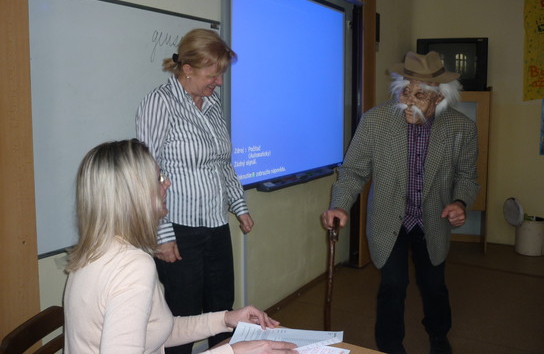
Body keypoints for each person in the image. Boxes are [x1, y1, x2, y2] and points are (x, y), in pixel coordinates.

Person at [64, 139, 296, 354]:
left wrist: (226, 319)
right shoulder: (132, 265)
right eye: (158, 179)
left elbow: (157, 331)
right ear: (134, 195)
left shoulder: (93, 251)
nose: (168, 183)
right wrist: (233, 352)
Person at [321, 51, 480, 354]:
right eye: (405, 91)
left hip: (433, 218)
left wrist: (460, 202)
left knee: (434, 285)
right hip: (388, 216)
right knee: (392, 285)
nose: (408, 101)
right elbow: (353, 170)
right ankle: (390, 345)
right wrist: (340, 205)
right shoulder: (375, 121)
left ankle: (438, 334)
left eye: (420, 95)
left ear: (439, 98)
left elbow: (467, 176)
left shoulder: (461, 128)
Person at [135, 28, 253, 354]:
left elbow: (222, 162)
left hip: (215, 224)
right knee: (182, 315)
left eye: (221, 74)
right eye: (213, 75)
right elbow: (146, 170)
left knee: (222, 308)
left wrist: (239, 205)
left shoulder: (212, 104)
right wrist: (161, 234)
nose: (219, 82)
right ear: (187, 69)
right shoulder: (160, 103)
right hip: (179, 228)